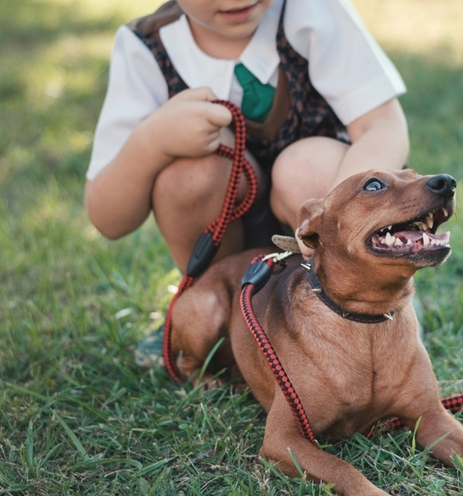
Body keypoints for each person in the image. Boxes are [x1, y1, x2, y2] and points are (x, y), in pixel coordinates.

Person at [84, 0, 409, 363]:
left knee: (307, 167)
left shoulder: (313, 10)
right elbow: (108, 220)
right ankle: (221, 314)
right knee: (189, 174)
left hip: (321, 233)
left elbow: (382, 124)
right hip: (224, 245)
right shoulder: (146, 45)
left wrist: (338, 214)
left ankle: (368, 304)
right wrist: (151, 142)